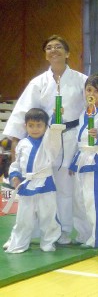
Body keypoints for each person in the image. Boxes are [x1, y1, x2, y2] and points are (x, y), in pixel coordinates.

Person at [3, 35, 87, 245]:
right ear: (46, 55)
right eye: (49, 47)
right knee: (39, 186)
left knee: (66, 187)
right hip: (45, 140)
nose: (54, 50)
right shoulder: (38, 82)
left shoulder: (81, 80)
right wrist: (15, 140)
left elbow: (92, 108)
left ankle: (65, 231)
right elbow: (24, 111)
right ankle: (38, 231)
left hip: (72, 137)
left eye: (59, 47)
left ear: (67, 53)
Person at [4, 108, 63, 253]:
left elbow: (55, 133)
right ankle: (18, 241)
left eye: (39, 125)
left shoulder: (49, 142)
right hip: (27, 185)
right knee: (23, 218)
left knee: (48, 216)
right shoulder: (22, 144)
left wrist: (56, 116)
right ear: (26, 126)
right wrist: (15, 176)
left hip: (45, 184)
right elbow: (16, 163)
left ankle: (48, 242)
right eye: (31, 125)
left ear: (45, 126)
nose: (35, 129)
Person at [69, 74, 98, 248]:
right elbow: (78, 139)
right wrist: (75, 161)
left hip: (95, 158)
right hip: (82, 158)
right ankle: (84, 233)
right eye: (89, 90)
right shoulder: (84, 113)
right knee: (80, 200)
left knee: (95, 200)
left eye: (97, 91)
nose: (92, 94)